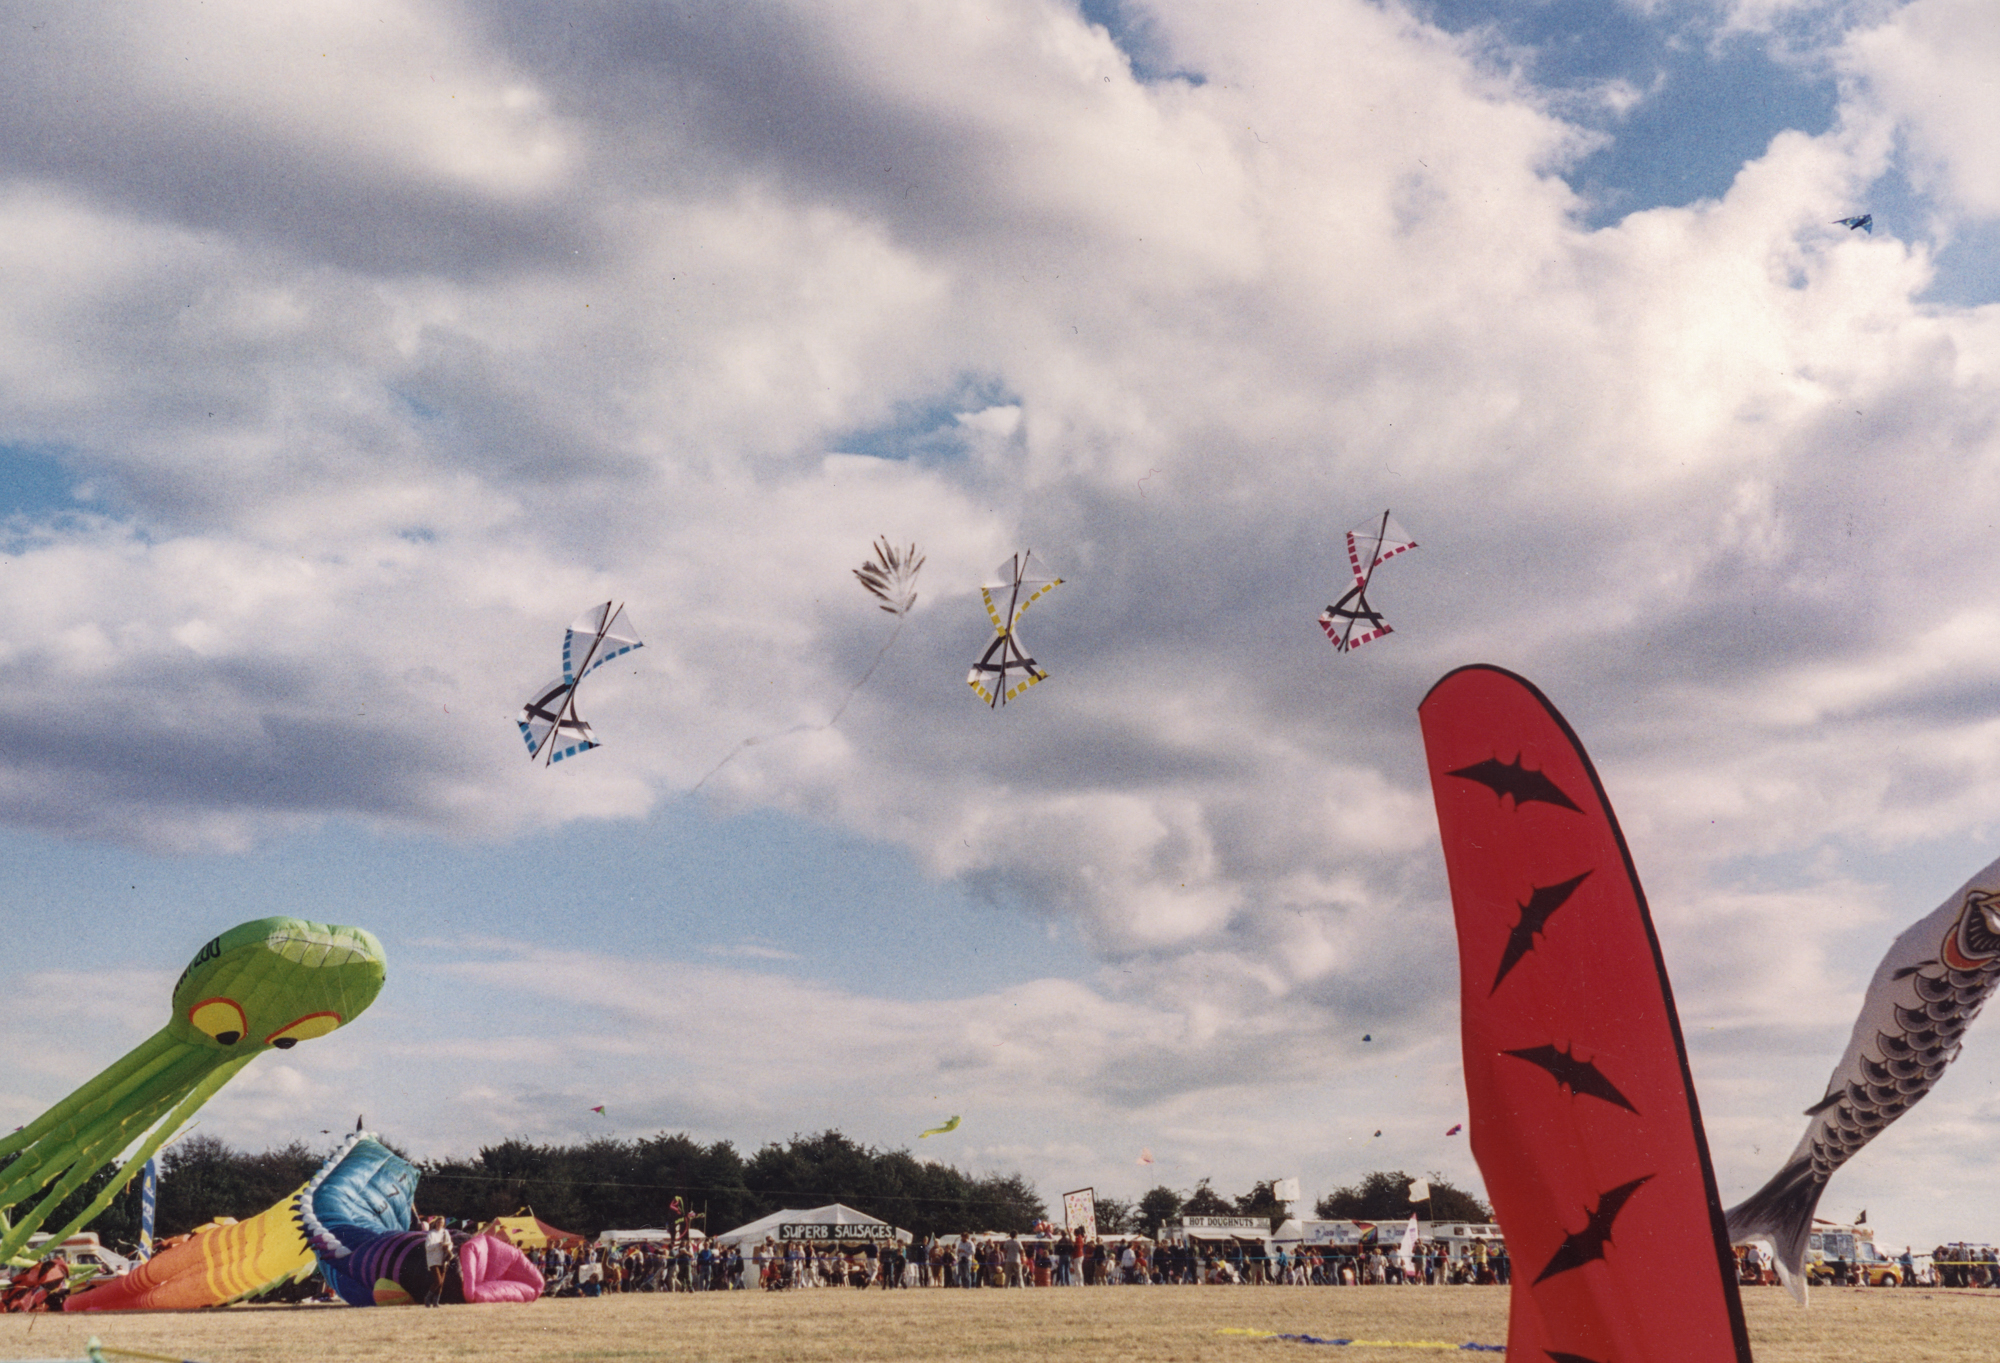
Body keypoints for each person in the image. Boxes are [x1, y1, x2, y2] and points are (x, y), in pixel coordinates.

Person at [423, 1216, 454, 1307]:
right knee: (438, 1281)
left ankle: (435, 1302)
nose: (440, 1224)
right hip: (433, 1259)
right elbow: (428, 1247)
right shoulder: (431, 1234)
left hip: (443, 1259)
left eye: (442, 1223)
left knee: (441, 1283)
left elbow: (450, 1244)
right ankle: (427, 1298)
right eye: (438, 1222)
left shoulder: (445, 1233)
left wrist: (447, 1247)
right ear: (436, 1223)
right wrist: (439, 1245)